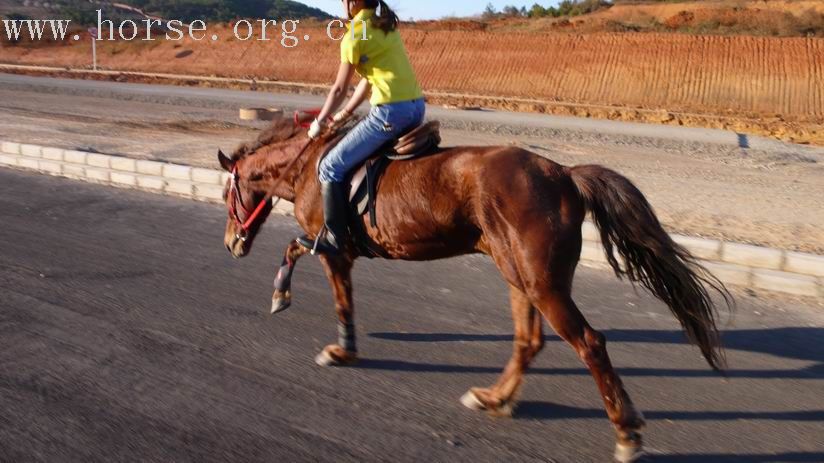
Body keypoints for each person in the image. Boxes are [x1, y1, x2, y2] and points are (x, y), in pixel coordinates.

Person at [297, 0, 425, 255]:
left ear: (352, 2)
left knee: (330, 166)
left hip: (390, 113)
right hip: (416, 109)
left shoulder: (354, 35)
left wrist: (319, 122)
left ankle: (335, 237)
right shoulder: (385, 25)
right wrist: (345, 113)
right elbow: (368, 80)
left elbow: (339, 89)